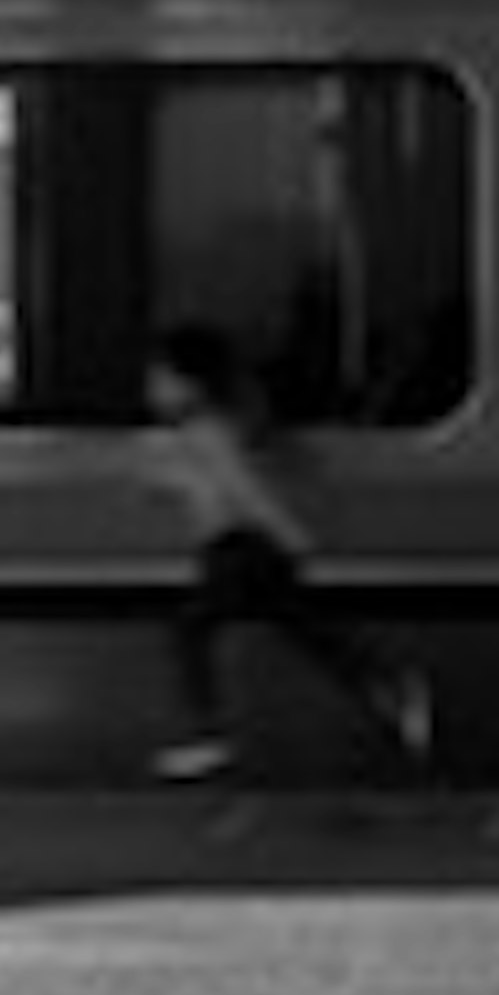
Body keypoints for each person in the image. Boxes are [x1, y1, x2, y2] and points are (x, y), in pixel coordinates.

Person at [136, 317, 436, 784]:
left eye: (159, 379)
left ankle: (207, 739)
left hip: (242, 550)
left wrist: (288, 532)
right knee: (308, 632)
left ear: (189, 382)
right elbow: (220, 480)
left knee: (190, 629)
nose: (152, 389)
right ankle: (393, 691)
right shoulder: (213, 426)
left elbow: (244, 489)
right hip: (245, 551)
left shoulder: (208, 428)